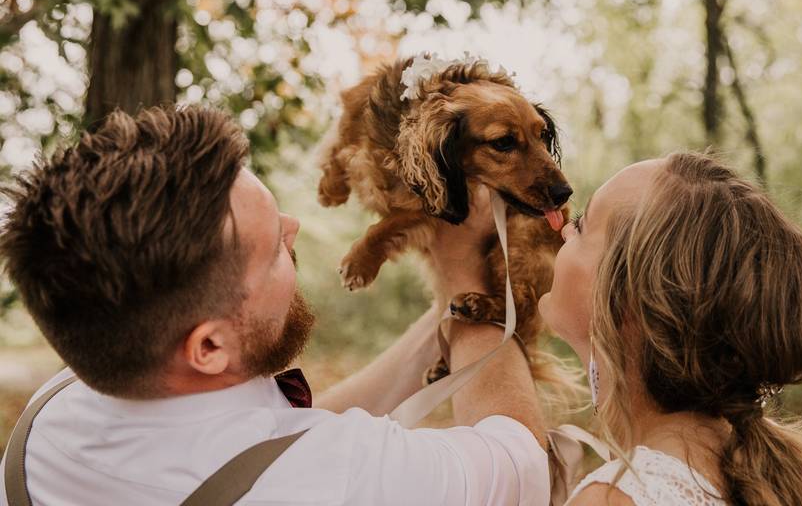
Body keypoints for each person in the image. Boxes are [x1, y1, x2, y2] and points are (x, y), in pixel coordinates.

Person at [0, 105, 549, 505]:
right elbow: (522, 460)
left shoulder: (55, 410)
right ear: (210, 346)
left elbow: (270, 440)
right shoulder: (337, 482)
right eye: (272, 251)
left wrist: (444, 319)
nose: (295, 229)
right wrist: (467, 276)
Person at [538, 153, 802, 505]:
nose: (564, 229)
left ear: (626, 297)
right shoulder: (748, 475)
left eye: (584, 225)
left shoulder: (616, 497)